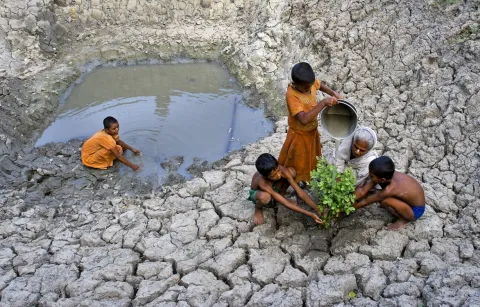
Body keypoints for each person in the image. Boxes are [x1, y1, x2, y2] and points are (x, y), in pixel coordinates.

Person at [278, 62, 342, 183]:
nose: (310, 89)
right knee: (299, 161)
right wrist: (322, 103)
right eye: (306, 88)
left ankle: (308, 178)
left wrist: (333, 93)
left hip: (312, 132)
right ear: (295, 84)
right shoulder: (292, 95)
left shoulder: (309, 83)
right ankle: (297, 181)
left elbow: (319, 85)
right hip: (299, 135)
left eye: (310, 86)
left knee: (311, 159)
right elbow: (304, 120)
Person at [248, 153, 324, 225]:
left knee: (292, 172)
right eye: (273, 175)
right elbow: (286, 203)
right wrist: (310, 214)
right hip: (259, 194)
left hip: (274, 188)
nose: (278, 175)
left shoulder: (282, 170)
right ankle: (258, 208)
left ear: (277, 165)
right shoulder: (262, 182)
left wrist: (317, 208)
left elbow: (300, 192)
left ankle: (282, 195)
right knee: (264, 197)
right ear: (265, 176)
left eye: (278, 170)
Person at [354, 156, 426, 230]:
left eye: (371, 176)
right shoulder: (387, 174)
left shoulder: (388, 190)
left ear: (382, 179)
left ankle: (404, 219)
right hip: (408, 201)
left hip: (415, 211)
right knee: (379, 195)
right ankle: (399, 208)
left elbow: (365, 202)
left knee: (384, 200)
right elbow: (365, 189)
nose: (369, 176)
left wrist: (351, 208)